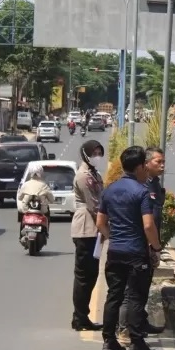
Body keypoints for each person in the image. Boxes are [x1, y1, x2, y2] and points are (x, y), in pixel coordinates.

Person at [97, 146, 162, 350]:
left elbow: (101, 223)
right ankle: (136, 343)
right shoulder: (142, 192)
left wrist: (113, 237)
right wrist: (155, 247)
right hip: (135, 252)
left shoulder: (109, 190)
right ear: (140, 167)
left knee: (114, 295)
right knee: (135, 296)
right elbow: (148, 225)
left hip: (115, 250)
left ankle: (109, 342)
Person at [117, 147, 166, 344]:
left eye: (163, 162)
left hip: (149, 242)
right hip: (138, 243)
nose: (162, 165)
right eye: (157, 162)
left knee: (142, 288)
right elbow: (145, 220)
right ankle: (124, 329)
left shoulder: (155, 184)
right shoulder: (140, 185)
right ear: (145, 164)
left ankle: (140, 322)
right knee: (131, 291)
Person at [70, 140, 106, 332]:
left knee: (92, 275)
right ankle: (79, 317)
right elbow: (94, 206)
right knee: (84, 275)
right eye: (94, 153)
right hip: (86, 228)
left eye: (100, 152)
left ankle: (83, 315)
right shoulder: (84, 176)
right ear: (85, 154)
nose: (97, 156)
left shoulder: (95, 174)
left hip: (94, 230)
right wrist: (107, 226)